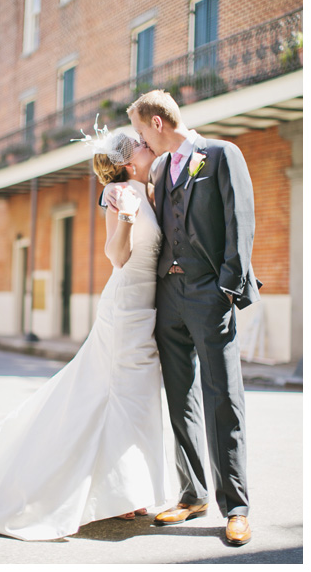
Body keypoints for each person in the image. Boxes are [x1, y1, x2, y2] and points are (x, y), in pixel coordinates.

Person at [0, 124, 168, 541]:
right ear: (128, 162)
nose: (147, 143)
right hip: (125, 305)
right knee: (124, 395)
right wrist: (127, 219)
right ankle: (125, 494)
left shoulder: (146, 188)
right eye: (140, 143)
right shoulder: (123, 195)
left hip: (145, 306)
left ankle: (127, 490)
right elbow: (115, 255)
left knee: (133, 396)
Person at [111, 89, 259, 547]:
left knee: (223, 398)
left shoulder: (220, 154)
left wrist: (228, 291)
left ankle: (235, 507)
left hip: (209, 294)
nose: (139, 139)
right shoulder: (156, 169)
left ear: (157, 123)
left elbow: (240, 221)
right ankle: (192, 493)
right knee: (181, 399)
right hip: (167, 296)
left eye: (139, 130)